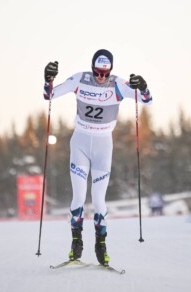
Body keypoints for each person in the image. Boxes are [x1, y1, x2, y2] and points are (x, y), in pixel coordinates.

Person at [43, 49, 152, 266]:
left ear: (110, 70)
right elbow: (50, 95)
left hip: (104, 146)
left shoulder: (118, 84)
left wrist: (143, 86)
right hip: (80, 143)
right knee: (79, 195)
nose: (100, 76)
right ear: (92, 67)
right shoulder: (80, 79)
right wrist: (48, 79)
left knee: (99, 198)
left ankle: (101, 246)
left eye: (104, 72)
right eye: (97, 72)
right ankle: (76, 242)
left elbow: (147, 100)